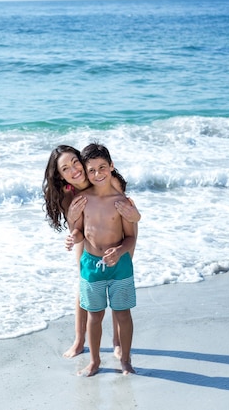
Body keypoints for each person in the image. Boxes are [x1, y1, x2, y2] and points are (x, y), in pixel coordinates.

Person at [42, 145, 139, 359]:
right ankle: (79, 340)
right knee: (84, 281)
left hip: (120, 229)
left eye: (75, 162)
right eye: (65, 168)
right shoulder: (69, 195)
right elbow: (75, 228)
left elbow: (125, 208)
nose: (74, 170)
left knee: (116, 280)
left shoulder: (103, 176)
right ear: (60, 176)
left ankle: (117, 340)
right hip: (86, 234)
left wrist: (135, 217)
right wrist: (72, 227)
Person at [69, 142, 137, 376]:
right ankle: (94, 361)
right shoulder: (82, 199)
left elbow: (129, 237)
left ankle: (126, 360)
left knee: (123, 313)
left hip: (120, 266)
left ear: (111, 166)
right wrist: (72, 238)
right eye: (92, 170)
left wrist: (119, 251)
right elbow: (78, 230)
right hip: (91, 264)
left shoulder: (121, 201)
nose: (98, 174)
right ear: (86, 174)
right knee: (94, 315)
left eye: (102, 167)